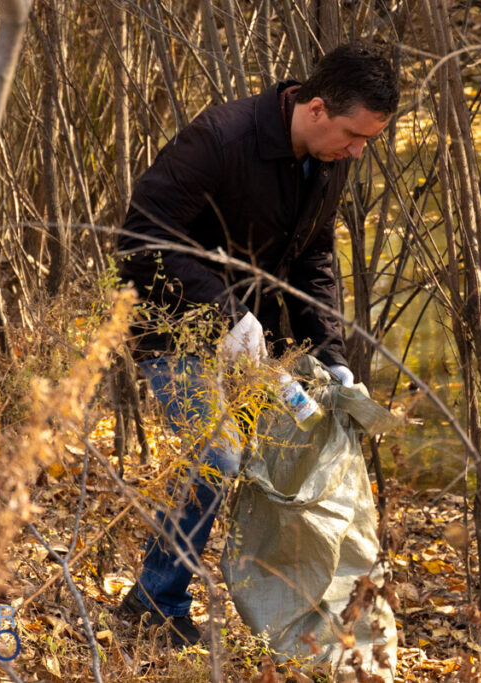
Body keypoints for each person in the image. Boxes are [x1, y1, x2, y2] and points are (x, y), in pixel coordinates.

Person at [114, 43, 400, 646]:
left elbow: (314, 259)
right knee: (215, 455)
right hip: (174, 327)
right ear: (317, 109)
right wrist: (227, 315)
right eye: (354, 136)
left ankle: (281, 613)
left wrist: (332, 356)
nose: (357, 151)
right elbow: (140, 238)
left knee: (269, 462)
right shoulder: (220, 139)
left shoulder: (329, 159)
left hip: (257, 346)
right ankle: (155, 605)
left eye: (367, 141)